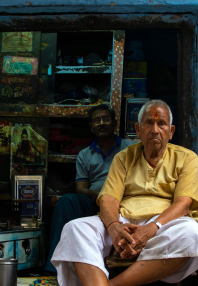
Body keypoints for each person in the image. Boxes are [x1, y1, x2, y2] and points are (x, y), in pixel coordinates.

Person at [51, 99, 198, 286]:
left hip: (164, 226)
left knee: (192, 234)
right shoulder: (124, 157)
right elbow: (108, 200)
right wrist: (114, 227)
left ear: (171, 130)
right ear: (138, 130)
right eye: (148, 123)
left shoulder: (186, 158)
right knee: (75, 228)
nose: (155, 130)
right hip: (124, 222)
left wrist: (150, 229)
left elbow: (184, 204)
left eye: (161, 124)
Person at [44, 104, 135, 272]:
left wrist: (113, 197)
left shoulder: (130, 148)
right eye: (97, 120)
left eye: (106, 119)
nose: (102, 123)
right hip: (95, 201)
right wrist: (100, 196)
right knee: (66, 201)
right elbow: (81, 187)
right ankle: (55, 268)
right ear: (91, 126)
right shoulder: (85, 154)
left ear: (115, 123)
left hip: (123, 201)